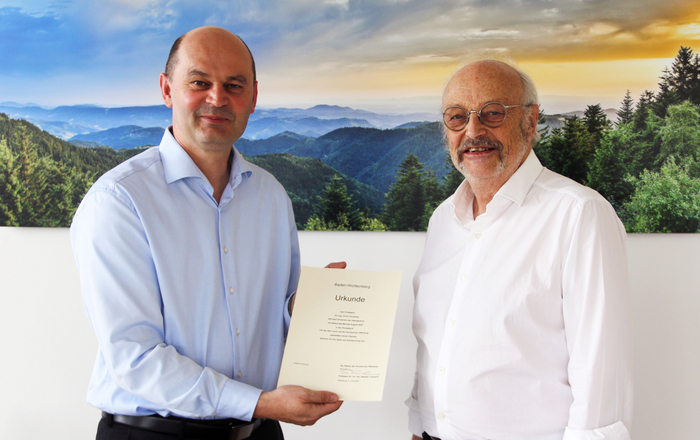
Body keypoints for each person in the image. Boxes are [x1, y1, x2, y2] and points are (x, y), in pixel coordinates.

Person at [71, 26, 343, 440]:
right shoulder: (120, 201)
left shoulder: (270, 195)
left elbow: (273, 322)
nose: (217, 98)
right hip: (153, 435)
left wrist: (304, 313)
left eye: (234, 85)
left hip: (260, 432)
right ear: (167, 89)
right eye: (199, 83)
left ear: (253, 97)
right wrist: (258, 402)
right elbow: (136, 358)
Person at [406, 59, 633, 440]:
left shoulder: (578, 214)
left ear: (530, 120)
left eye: (492, 113)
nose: (473, 130)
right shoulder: (443, 220)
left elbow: (600, 375)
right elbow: (433, 347)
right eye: (457, 117)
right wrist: (418, 426)